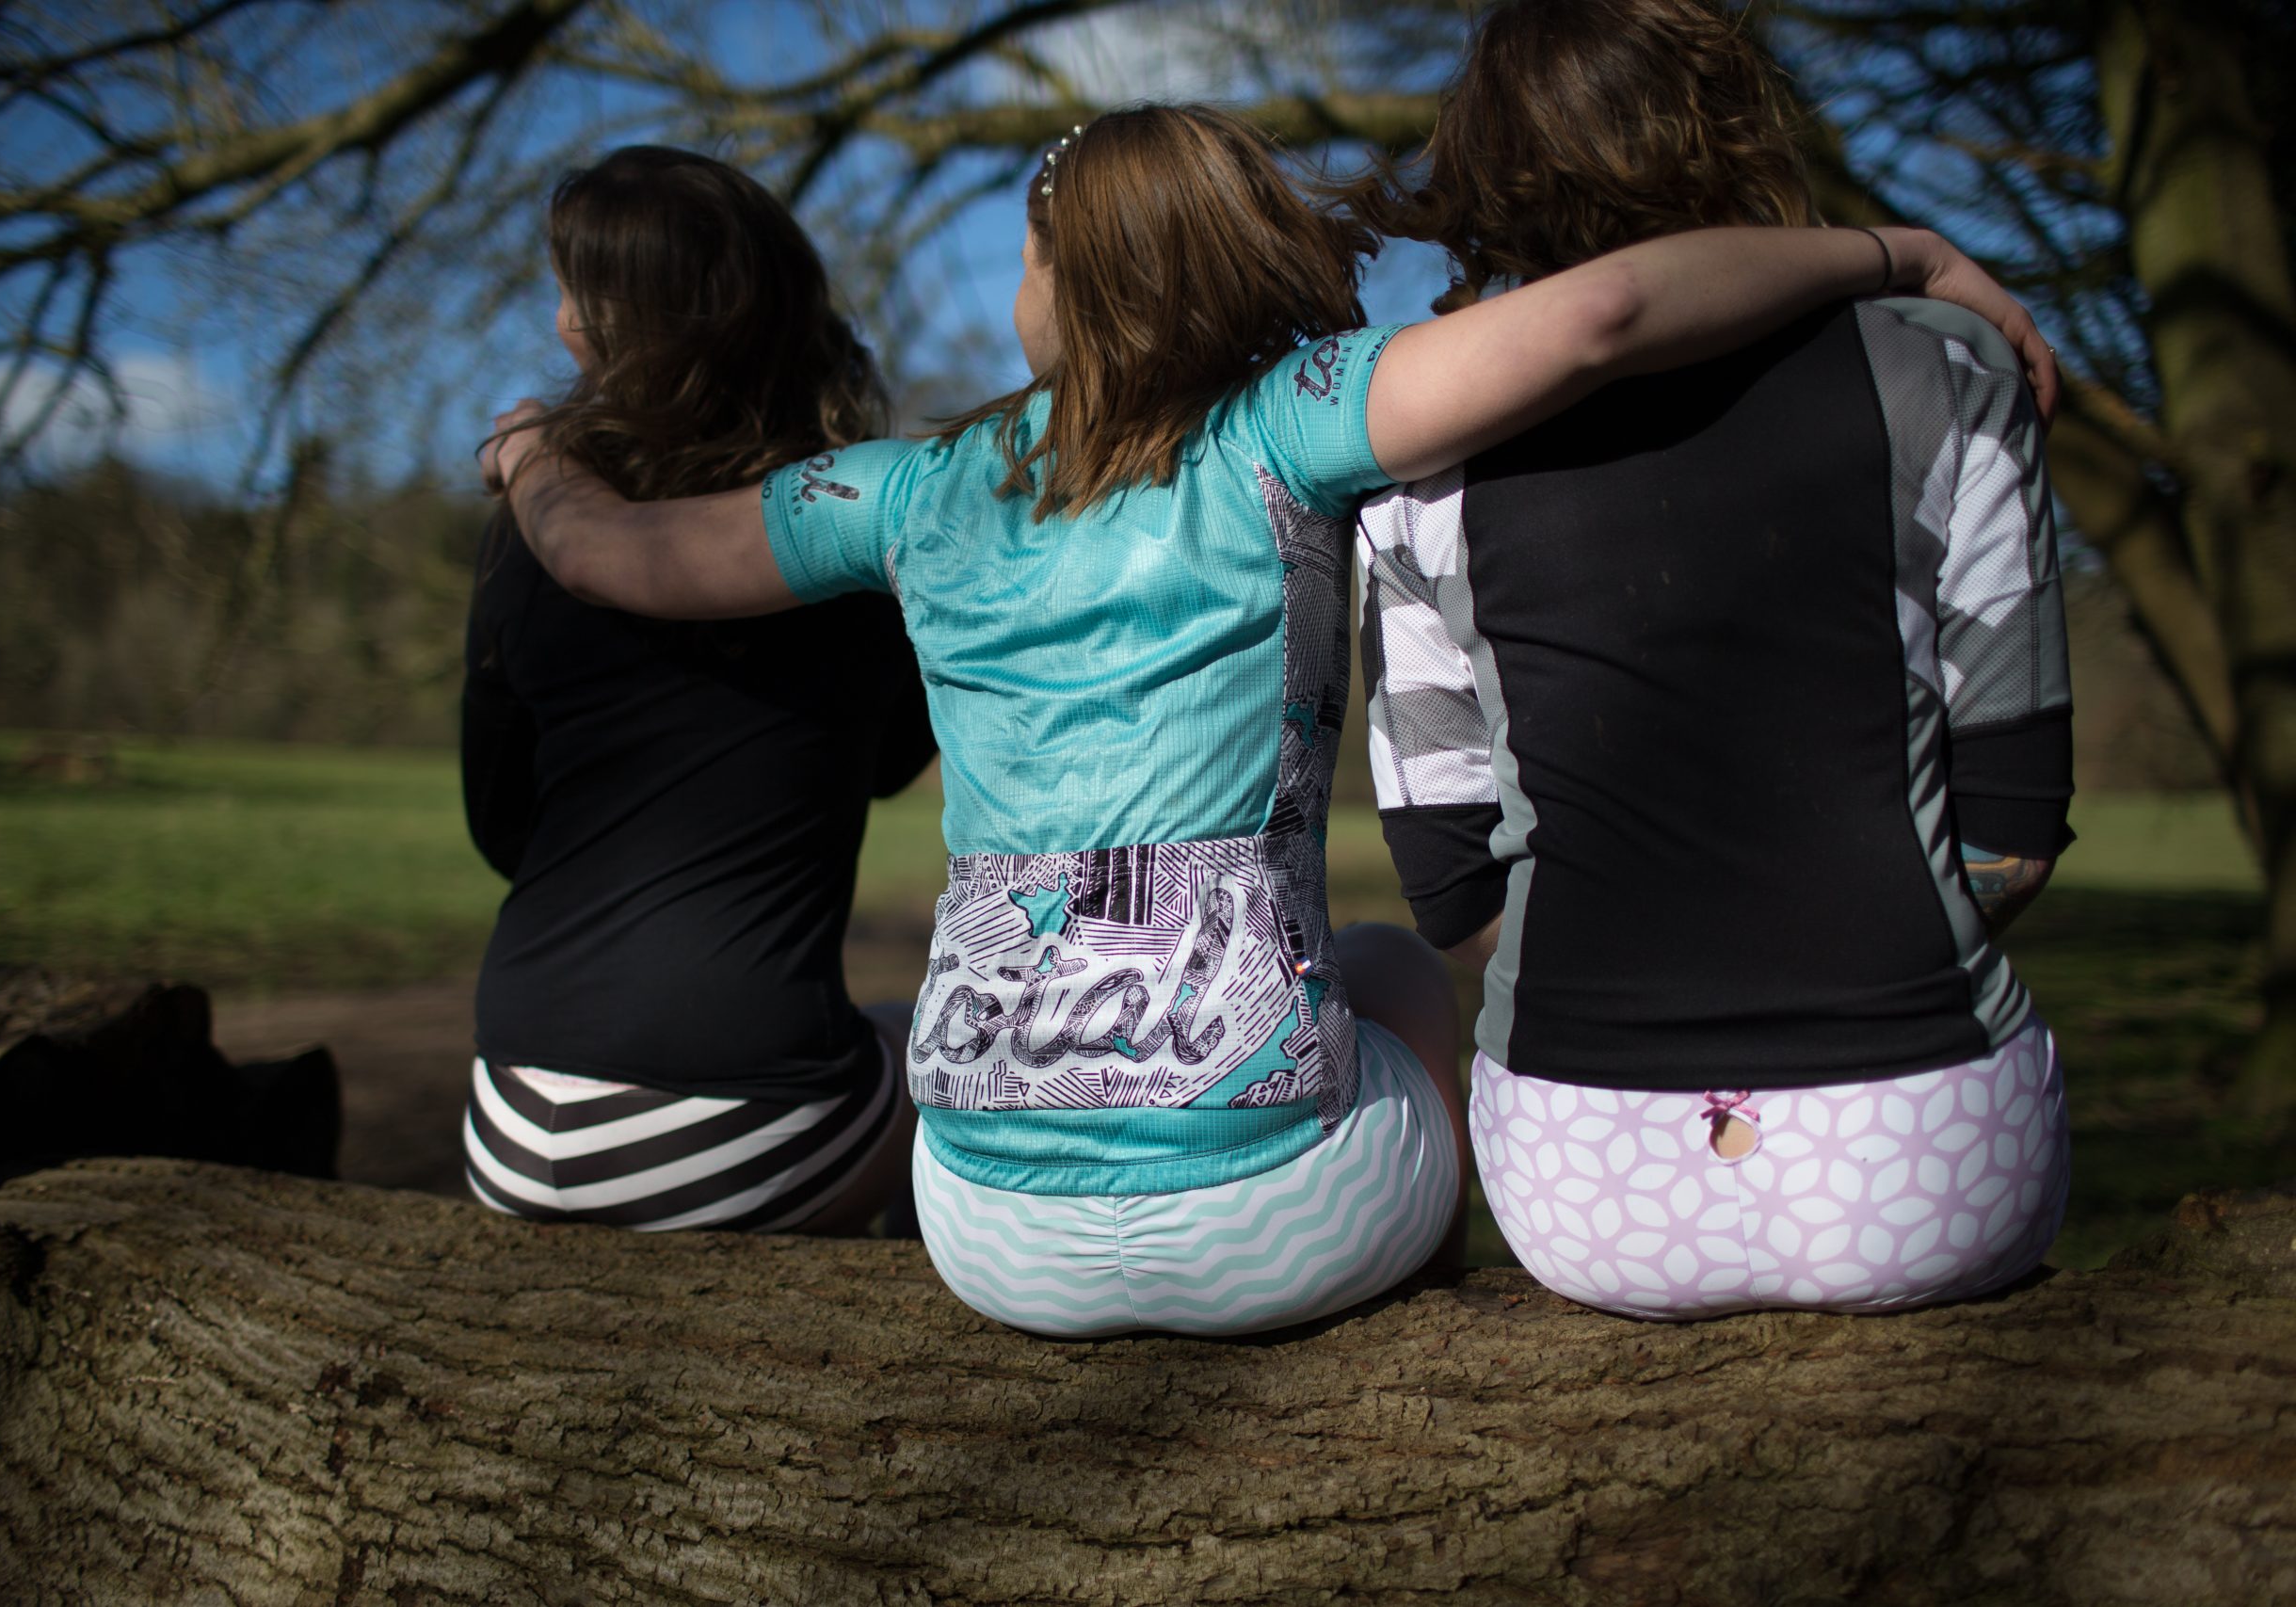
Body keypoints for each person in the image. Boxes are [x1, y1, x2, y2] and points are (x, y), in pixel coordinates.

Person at [481, 104, 2056, 1338]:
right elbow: (1610, 314)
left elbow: (614, 556)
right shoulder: (1294, 423)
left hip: (986, 1235)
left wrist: (535, 459)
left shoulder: (905, 493)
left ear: (1064, 280)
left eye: (1026, 260)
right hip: (1278, 1224)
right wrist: (1892, 255)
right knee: (1390, 967)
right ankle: (1412, 1344)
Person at [1345, 0, 2073, 1318]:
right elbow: (2012, 831)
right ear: (1738, 122)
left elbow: (1448, 883)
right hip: (1930, 1163)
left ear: (1487, 172)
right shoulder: (1948, 369)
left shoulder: (1414, 460)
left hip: (1582, 1188)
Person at [460, 147, 935, 1235]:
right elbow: (890, 763)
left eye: (579, 296)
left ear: (629, 327)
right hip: (744, 1127)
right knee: (939, 1053)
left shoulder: (526, 543)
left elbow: (502, 829)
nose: (561, 324)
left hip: (511, 1118)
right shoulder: (849, 539)